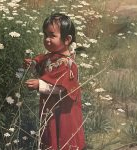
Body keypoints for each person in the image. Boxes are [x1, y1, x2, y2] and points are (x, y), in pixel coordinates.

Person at [24, 13, 86, 150]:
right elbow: (45, 73)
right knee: (50, 131)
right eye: (45, 35)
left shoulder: (67, 64)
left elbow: (61, 87)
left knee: (62, 133)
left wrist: (39, 85)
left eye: (52, 35)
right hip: (50, 105)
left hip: (64, 109)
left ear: (67, 39)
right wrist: (34, 65)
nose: (47, 39)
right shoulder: (50, 57)